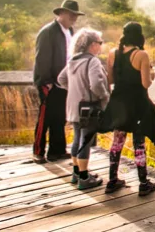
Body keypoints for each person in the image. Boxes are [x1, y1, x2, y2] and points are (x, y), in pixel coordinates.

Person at [104, 22, 155, 196]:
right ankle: (143, 183)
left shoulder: (112, 53)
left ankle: (112, 180)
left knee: (117, 141)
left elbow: (110, 80)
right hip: (137, 103)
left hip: (119, 102)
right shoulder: (141, 55)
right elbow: (146, 83)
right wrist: (151, 75)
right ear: (139, 36)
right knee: (139, 143)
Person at [32, 0, 84, 163]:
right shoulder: (48, 32)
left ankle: (57, 151)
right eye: (71, 14)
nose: (74, 18)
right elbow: (42, 58)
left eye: (75, 15)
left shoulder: (70, 32)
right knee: (45, 117)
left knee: (59, 117)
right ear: (61, 13)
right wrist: (46, 80)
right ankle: (38, 151)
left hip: (64, 82)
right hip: (48, 82)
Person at [57, 28, 109, 190]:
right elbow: (96, 84)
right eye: (100, 43)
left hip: (73, 107)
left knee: (77, 138)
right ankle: (85, 178)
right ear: (92, 44)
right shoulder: (92, 61)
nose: (101, 46)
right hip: (88, 108)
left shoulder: (73, 60)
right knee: (85, 141)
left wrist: (75, 90)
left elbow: (61, 79)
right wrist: (104, 96)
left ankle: (76, 173)